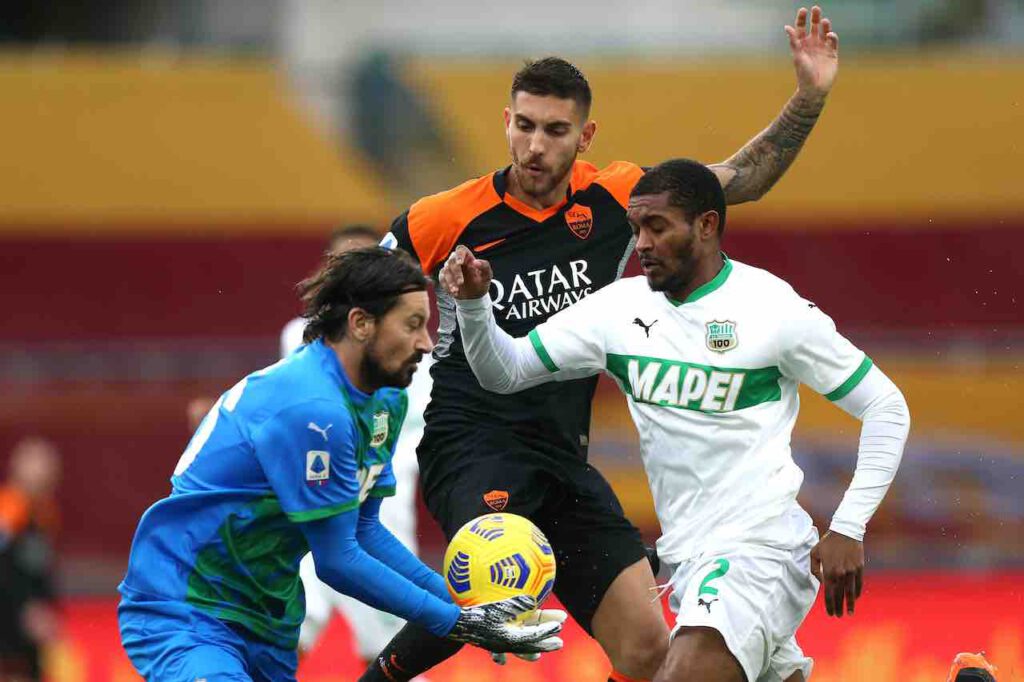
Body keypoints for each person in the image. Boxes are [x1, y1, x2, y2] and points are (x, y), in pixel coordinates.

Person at [365, 7, 840, 681]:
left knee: (648, 648)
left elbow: (743, 179)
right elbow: (365, 289)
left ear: (584, 136)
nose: (535, 146)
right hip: (474, 441)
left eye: (555, 131)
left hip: (564, 454)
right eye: (524, 126)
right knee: (499, 585)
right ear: (506, 123)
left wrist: (808, 97)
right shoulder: (444, 217)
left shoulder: (620, 197)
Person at [442, 158, 910, 682]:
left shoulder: (772, 310)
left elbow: (886, 406)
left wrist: (848, 527)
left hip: (759, 547)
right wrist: (476, 306)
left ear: (706, 225)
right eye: (636, 228)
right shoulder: (617, 311)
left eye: (657, 227)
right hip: (689, 557)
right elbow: (503, 372)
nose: (641, 243)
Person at [118, 247, 565, 682]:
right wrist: (457, 622)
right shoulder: (312, 407)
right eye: (412, 325)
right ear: (361, 324)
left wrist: (467, 609)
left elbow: (365, 531)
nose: (426, 344)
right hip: (188, 609)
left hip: (267, 617)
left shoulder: (385, 400)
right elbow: (337, 560)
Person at [281, 225, 433, 668]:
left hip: (379, 512)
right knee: (291, 624)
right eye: (340, 266)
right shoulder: (304, 340)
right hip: (313, 506)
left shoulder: (420, 355)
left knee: (386, 650)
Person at [0, 437, 61, 682]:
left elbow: (41, 571)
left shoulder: (45, 514)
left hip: (28, 640)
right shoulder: (7, 511)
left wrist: (47, 608)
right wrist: (24, 608)